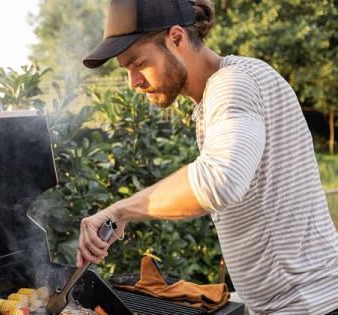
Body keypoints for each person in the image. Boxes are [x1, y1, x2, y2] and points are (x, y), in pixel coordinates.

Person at [77, 0, 338, 314]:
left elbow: (220, 180)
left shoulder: (233, 84)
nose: (133, 81)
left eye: (139, 63)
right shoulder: (224, 90)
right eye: (127, 70)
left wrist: (119, 211)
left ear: (176, 38)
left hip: (309, 304)